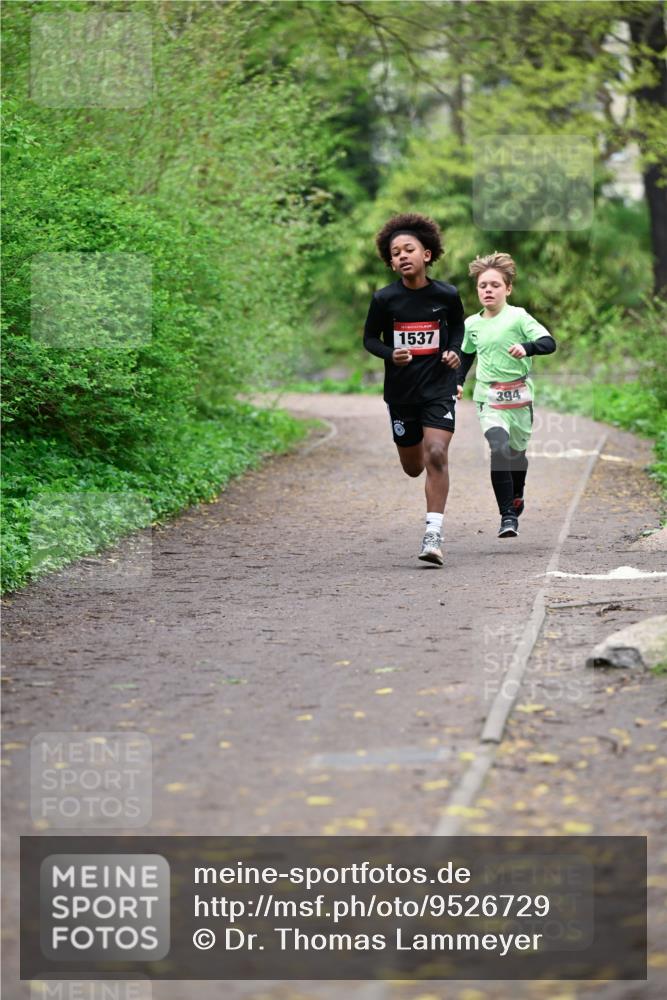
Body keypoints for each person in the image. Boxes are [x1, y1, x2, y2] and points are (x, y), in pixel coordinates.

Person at [363, 212, 464, 566]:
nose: (403, 255)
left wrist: (453, 353)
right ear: (390, 263)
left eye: (409, 249)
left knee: (436, 453)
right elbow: (369, 340)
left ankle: (433, 534)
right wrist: (392, 353)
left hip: (439, 387)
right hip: (402, 393)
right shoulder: (384, 299)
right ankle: (417, 446)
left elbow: (457, 331)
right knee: (412, 467)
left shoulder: (447, 295)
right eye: (395, 252)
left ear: (427, 255)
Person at [457, 252, 556, 538]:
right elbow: (465, 356)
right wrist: (458, 382)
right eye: (482, 285)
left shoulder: (519, 317)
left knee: (516, 456)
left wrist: (527, 347)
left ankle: (517, 492)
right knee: (498, 449)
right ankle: (507, 516)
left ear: (508, 289)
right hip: (489, 398)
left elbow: (549, 343)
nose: (487, 290)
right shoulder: (471, 324)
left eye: (495, 285)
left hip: (520, 398)